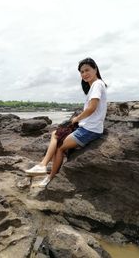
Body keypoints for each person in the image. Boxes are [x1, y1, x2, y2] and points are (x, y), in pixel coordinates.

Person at [24, 57, 107, 187]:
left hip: (90, 130)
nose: (84, 74)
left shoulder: (97, 84)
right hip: (86, 126)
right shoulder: (95, 85)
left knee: (60, 147)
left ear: (95, 69)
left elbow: (92, 108)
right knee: (56, 134)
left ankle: (48, 175)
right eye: (82, 72)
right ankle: (43, 166)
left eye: (87, 70)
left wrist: (77, 118)